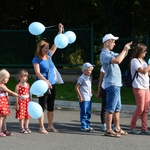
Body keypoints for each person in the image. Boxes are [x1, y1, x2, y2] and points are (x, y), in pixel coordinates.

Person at [32, 23, 64, 134]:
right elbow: (37, 72)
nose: (47, 50)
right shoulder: (36, 59)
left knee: (51, 105)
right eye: (45, 48)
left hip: (52, 83)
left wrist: (60, 31)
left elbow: (57, 44)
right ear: (40, 48)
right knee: (42, 105)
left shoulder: (49, 55)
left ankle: (50, 125)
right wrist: (46, 82)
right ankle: (41, 127)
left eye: (47, 48)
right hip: (41, 85)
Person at [100, 33, 132, 137]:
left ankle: (117, 128)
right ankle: (108, 129)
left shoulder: (110, 52)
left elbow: (121, 56)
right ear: (107, 42)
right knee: (110, 108)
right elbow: (118, 60)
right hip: (112, 84)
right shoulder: (104, 54)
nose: (114, 43)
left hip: (117, 84)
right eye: (113, 41)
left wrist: (126, 49)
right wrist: (124, 50)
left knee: (117, 108)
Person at [130, 43, 150, 135]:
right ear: (139, 52)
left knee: (146, 109)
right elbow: (143, 71)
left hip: (146, 87)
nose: (145, 53)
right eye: (144, 51)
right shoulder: (134, 61)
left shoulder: (143, 61)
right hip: (138, 87)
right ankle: (132, 126)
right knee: (140, 108)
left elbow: (147, 73)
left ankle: (144, 128)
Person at [0, 69, 24, 137]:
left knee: (4, 116)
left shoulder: (3, 85)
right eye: (6, 78)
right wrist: (19, 96)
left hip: (4, 103)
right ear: (2, 77)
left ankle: (5, 129)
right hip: (1, 104)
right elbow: (10, 92)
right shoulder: (1, 86)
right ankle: (0, 130)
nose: (8, 79)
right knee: (1, 117)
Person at [75, 62, 94, 132]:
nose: (90, 72)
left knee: (88, 112)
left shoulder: (88, 78)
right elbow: (77, 87)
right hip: (84, 98)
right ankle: (83, 125)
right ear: (84, 70)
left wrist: (94, 94)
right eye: (89, 70)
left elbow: (89, 88)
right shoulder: (81, 78)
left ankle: (87, 125)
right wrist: (80, 97)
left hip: (89, 97)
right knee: (84, 112)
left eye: (91, 70)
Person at [15, 69, 31, 134]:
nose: (26, 78)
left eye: (26, 77)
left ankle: (26, 127)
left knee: (27, 115)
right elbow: (16, 95)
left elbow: (29, 93)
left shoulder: (27, 85)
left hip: (27, 101)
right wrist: (17, 104)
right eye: (24, 76)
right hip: (21, 102)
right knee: (21, 115)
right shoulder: (18, 86)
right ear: (20, 77)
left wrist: (30, 100)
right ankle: (21, 127)